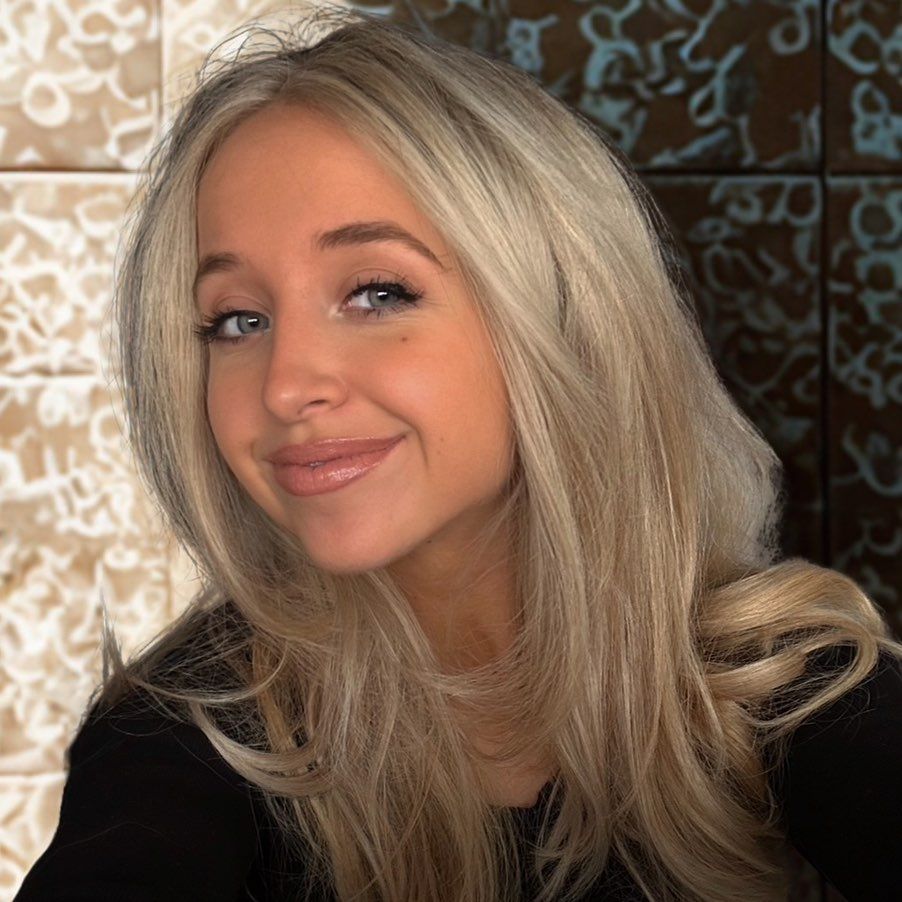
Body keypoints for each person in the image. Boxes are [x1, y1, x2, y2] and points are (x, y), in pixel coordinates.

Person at [14, 6, 902, 902]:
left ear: (562, 314)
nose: (285, 386)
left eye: (377, 293)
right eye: (239, 320)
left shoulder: (780, 682)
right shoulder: (179, 740)